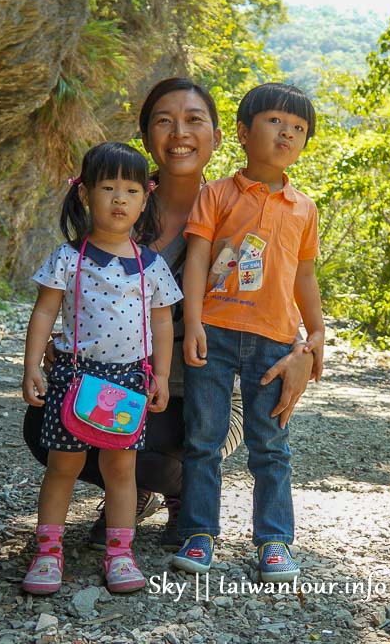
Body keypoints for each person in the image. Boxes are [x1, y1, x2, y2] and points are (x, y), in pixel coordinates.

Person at [22, 78, 315, 551]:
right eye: (164, 120)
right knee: (49, 423)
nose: (179, 131)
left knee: (185, 438)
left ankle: (178, 494)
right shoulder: (121, 206)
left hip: (212, 392)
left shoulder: (234, 206)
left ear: (221, 137)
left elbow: (289, 282)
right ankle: (134, 490)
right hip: (125, 381)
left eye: (194, 120)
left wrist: (305, 347)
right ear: (146, 137)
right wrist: (64, 349)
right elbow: (75, 289)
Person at [170, 82, 324, 584]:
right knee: (203, 438)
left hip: (276, 339)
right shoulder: (216, 194)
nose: (288, 134)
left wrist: (316, 331)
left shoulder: (303, 207)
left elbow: (304, 275)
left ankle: (274, 541)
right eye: (276, 121)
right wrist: (192, 321)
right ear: (241, 131)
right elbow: (196, 260)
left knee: (271, 444)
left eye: (299, 128)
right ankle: (199, 533)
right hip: (213, 331)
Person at [20, 142, 181, 595]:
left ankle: (120, 553)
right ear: (85, 194)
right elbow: (44, 312)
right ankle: (48, 552)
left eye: (131, 189)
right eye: (107, 187)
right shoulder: (68, 258)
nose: (119, 199)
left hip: (130, 380)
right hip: (72, 376)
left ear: (145, 199)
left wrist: (162, 376)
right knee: (63, 467)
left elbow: (163, 321)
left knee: (121, 469)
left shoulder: (151, 266)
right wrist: (32, 364)